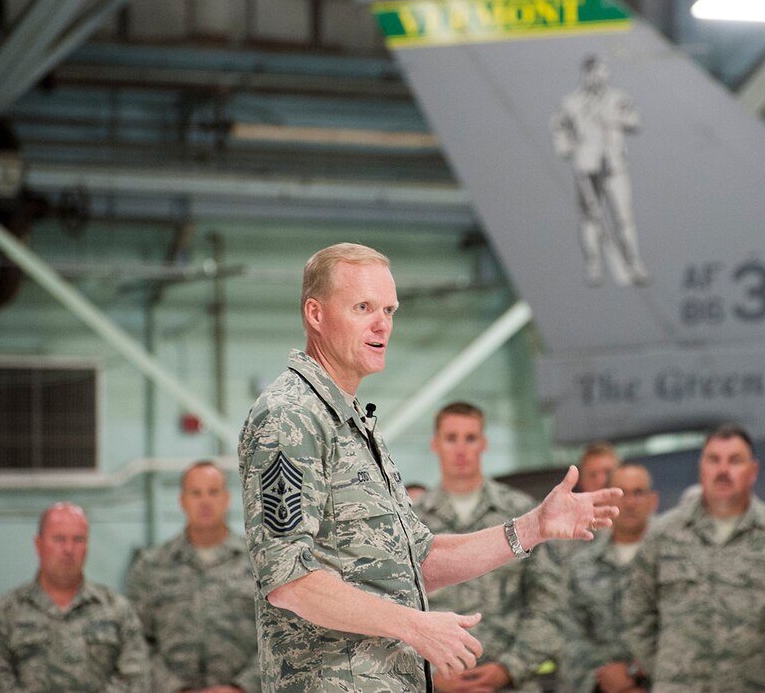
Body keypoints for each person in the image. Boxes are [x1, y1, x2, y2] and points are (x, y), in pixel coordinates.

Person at [237, 242, 621, 692]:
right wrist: (415, 626)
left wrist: (533, 527)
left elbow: (417, 563)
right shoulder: (290, 417)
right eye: (363, 307)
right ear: (316, 315)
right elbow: (290, 580)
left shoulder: (352, 422)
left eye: (390, 309)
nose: (383, 324)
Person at [624, 424, 765, 692]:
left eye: (735, 461)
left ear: (753, 471)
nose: (723, 470)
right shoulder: (664, 536)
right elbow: (637, 610)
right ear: (701, 468)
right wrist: (666, 669)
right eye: (714, 460)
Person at [414, 402, 562, 692]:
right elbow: (396, 609)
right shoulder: (411, 521)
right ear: (435, 444)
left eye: (470, 438)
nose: (461, 449)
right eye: (451, 438)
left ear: (483, 443)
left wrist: (509, 668)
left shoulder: (522, 515)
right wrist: (429, 672)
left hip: (511, 683)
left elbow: (550, 604)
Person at [125, 460, 259, 693]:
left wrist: (241, 687)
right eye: (196, 493)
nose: (205, 501)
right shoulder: (151, 567)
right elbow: (135, 641)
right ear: (182, 501)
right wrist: (175, 689)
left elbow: (277, 634)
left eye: (213, 492)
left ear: (226, 499)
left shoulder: (258, 563)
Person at [0, 502, 150, 691]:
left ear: (87, 546)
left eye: (78, 539)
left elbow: (136, 679)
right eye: (59, 539)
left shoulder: (117, 610)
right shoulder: (6, 613)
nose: (68, 549)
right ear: (39, 545)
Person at [551, 54, 648, 287]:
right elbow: (559, 128)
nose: (602, 76)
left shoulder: (617, 98)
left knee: (624, 218)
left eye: (604, 71)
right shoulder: (571, 102)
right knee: (589, 219)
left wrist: (614, 118)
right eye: (598, 71)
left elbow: (634, 120)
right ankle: (594, 265)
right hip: (587, 167)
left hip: (615, 165)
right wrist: (566, 148)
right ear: (588, 73)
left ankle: (634, 263)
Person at [560, 463, 658, 693]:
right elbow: (568, 639)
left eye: (638, 493)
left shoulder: (674, 562)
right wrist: (604, 681)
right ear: (607, 501)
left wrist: (636, 671)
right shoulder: (581, 567)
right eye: (621, 493)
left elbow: (687, 632)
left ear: (654, 500)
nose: (630, 502)